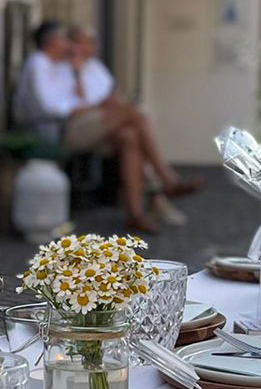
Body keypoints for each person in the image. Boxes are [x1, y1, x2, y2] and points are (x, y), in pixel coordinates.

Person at [17, 21, 197, 234]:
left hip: (84, 123)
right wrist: (92, 106)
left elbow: (78, 99)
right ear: (52, 42)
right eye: (65, 39)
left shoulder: (66, 66)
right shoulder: (39, 64)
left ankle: (135, 212)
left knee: (129, 136)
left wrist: (79, 79)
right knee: (132, 113)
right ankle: (167, 179)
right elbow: (53, 107)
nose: (68, 45)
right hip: (60, 129)